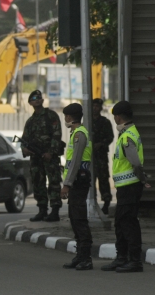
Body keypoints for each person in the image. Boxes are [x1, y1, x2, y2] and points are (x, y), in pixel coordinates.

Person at [101, 101, 150, 273]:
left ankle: (134, 260)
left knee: (128, 223)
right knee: (121, 223)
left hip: (130, 187)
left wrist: (142, 179)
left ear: (118, 117)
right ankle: (122, 257)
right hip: (125, 188)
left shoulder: (127, 136)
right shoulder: (127, 133)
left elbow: (135, 163)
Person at [21, 90, 63, 222]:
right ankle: (42, 210)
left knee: (54, 182)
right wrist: (25, 150)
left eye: (39, 97)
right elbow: (24, 139)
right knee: (38, 183)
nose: (37, 99)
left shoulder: (51, 116)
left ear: (42, 100)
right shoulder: (30, 121)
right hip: (36, 158)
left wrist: (50, 152)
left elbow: (57, 135)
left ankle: (55, 210)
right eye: (34, 98)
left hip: (50, 156)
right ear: (30, 102)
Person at [60, 103, 93, 270]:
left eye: (65, 116)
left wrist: (67, 184)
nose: (64, 118)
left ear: (69, 117)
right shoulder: (76, 133)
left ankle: (86, 257)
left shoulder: (80, 134)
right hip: (77, 180)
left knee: (79, 218)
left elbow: (75, 162)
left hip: (79, 180)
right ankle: (80, 255)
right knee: (74, 217)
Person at [92, 98, 115, 214]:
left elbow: (110, 137)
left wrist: (101, 144)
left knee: (103, 179)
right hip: (90, 157)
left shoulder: (105, 122)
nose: (95, 108)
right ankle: (92, 202)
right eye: (93, 106)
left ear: (100, 108)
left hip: (101, 155)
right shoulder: (87, 122)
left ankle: (106, 203)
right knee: (90, 180)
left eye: (97, 106)